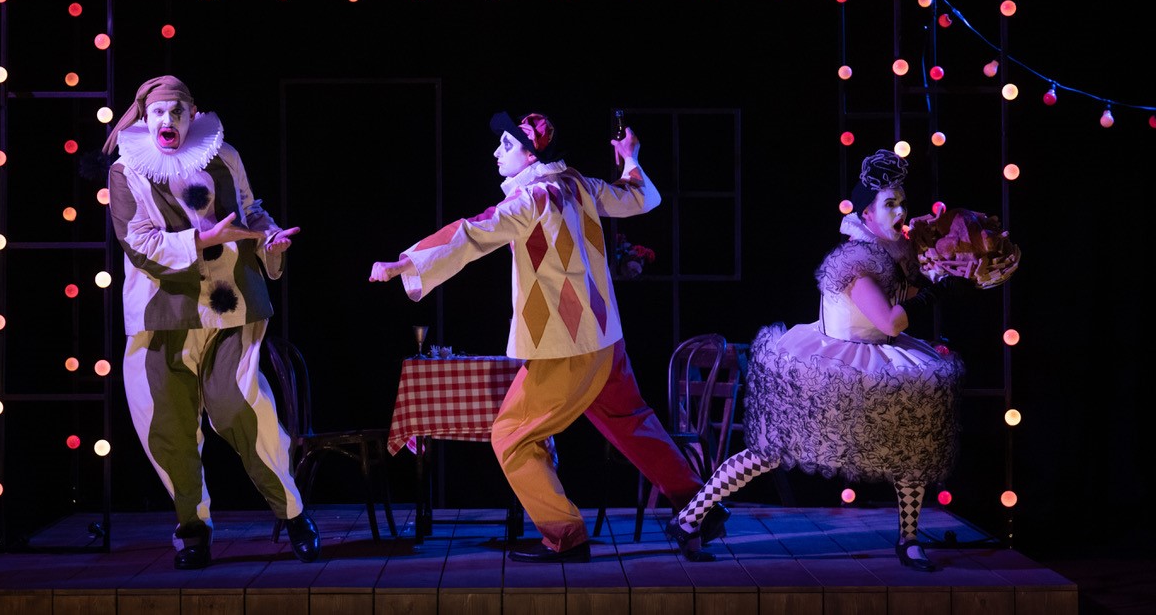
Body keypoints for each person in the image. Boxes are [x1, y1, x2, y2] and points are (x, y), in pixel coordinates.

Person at [369, 111, 729, 563]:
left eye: (505, 145)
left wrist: (408, 261)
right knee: (632, 423)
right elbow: (642, 197)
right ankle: (703, 507)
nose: (496, 153)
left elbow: (472, 232)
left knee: (511, 435)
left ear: (530, 152)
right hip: (604, 339)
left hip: (568, 347)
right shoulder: (579, 185)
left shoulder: (531, 199)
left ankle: (565, 535)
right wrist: (630, 158)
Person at [664, 149, 965, 571]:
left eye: (902, 201)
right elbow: (891, 321)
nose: (901, 211)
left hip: (877, 364)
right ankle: (688, 518)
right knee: (767, 452)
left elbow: (899, 298)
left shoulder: (891, 253)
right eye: (890, 203)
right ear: (867, 212)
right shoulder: (856, 261)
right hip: (832, 367)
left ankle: (910, 537)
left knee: (910, 448)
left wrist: (934, 272)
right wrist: (932, 286)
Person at [103, 74, 321, 569]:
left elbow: (251, 210)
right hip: (163, 314)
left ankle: (292, 513)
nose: (168, 120)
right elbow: (138, 242)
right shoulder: (126, 171)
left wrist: (267, 237)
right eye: (159, 112)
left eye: (177, 111)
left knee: (241, 406)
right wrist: (200, 242)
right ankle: (192, 526)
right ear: (145, 118)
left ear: (192, 114)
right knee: (169, 426)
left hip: (231, 303)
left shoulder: (223, 156)